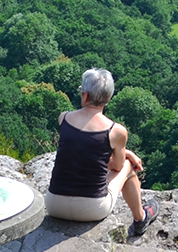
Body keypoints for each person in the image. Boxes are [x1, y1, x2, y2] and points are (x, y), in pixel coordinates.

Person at [44, 68, 158, 236]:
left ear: (85, 95)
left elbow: (81, 153)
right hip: (92, 209)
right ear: (108, 98)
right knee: (127, 166)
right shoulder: (116, 131)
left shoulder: (64, 118)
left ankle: (141, 216)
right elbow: (117, 167)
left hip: (54, 205)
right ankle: (141, 218)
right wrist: (126, 154)